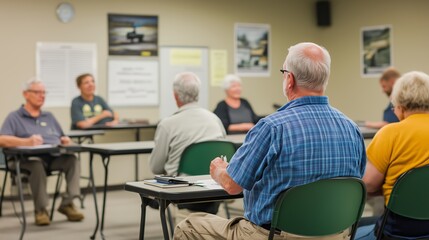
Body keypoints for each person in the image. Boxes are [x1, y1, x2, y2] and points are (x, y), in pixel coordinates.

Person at [174, 42, 366, 240]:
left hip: (273, 235)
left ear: (289, 79)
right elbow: (353, 183)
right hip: (338, 235)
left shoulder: (272, 128)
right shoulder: (351, 128)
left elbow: (232, 185)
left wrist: (219, 170)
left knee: (188, 226)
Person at [355, 71, 429, 240]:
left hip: (398, 232)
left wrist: (392, 187)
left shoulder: (389, 134)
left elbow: (369, 185)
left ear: (401, 107)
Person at [0, 79, 84, 226]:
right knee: (36, 165)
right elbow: (2, 140)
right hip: (23, 161)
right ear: (26, 94)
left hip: (51, 158)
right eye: (37, 92)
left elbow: (61, 137)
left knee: (72, 160)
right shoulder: (14, 117)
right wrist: (25, 142)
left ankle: (67, 203)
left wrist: (65, 141)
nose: (42, 95)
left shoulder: (49, 116)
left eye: (44, 92)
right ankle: (40, 210)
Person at [149, 71, 226, 214]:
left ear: (175, 95)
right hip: (214, 184)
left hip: (182, 189)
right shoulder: (215, 119)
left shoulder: (167, 124)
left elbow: (156, 167)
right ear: (197, 94)